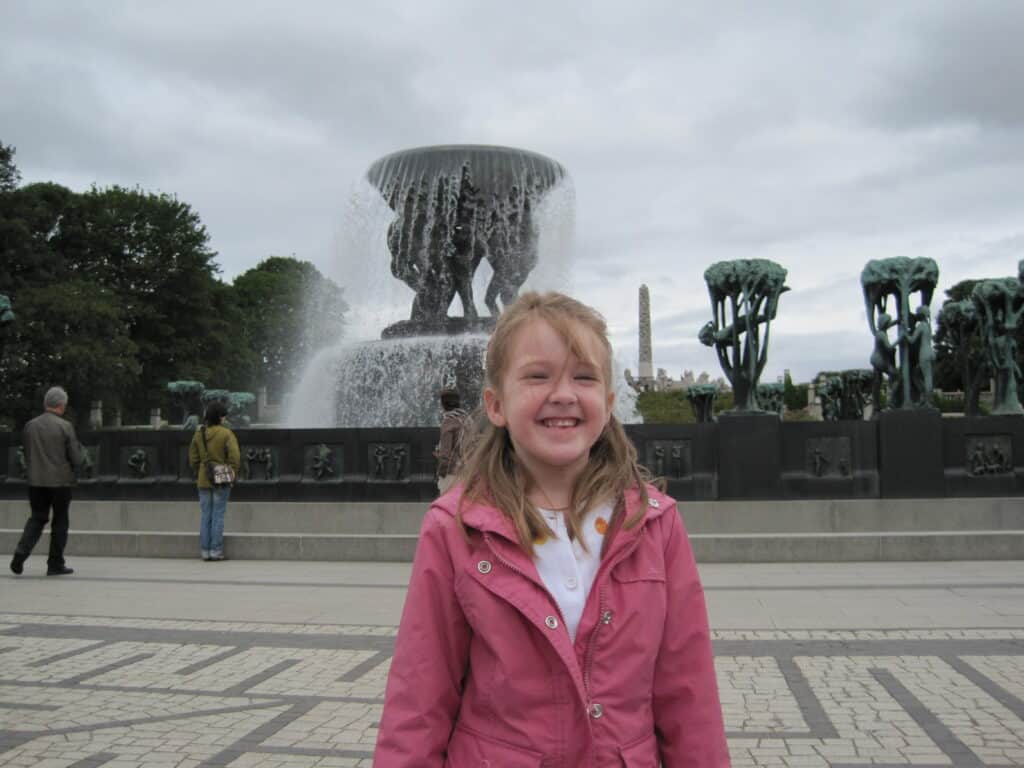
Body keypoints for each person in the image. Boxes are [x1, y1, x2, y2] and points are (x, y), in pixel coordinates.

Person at [374, 292, 730, 767]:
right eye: (538, 376)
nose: (563, 393)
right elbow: (420, 697)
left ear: (607, 403)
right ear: (496, 405)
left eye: (583, 377)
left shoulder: (656, 524)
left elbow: (689, 694)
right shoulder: (454, 527)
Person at [10, 386, 83, 576]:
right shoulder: (65, 426)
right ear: (62, 405)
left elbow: (26, 452)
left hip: (36, 481)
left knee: (37, 517)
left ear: (46, 403)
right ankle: (55, 563)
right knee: (60, 521)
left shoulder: (30, 425)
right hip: (60, 482)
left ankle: (21, 552)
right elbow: (76, 457)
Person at [188, 401, 240, 562]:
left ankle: (205, 551)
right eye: (223, 416)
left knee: (206, 515)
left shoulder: (199, 434)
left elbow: (193, 458)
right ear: (219, 417)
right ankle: (215, 551)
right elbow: (235, 457)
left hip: (204, 478)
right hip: (222, 478)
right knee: (218, 515)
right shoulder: (226, 434)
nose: (225, 419)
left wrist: (200, 470)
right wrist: (231, 473)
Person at [433, 388, 467, 494]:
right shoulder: (466, 420)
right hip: (467, 471)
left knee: (448, 505)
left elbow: (446, 454)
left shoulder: (449, 422)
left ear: (443, 404)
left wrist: (441, 473)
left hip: (452, 473)